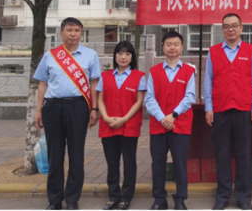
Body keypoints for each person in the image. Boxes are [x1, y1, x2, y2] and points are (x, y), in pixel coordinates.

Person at [33, 17, 101, 210]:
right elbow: (43, 84)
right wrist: (38, 110)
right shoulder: (50, 56)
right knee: (54, 155)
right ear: (61, 33)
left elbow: (94, 83)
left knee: (76, 155)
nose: (73, 34)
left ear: (81, 33)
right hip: (53, 107)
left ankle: (72, 200)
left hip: (78, 107)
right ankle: (55, 200)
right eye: (69, 30)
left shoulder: (90, 55)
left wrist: (94, 108)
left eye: (77, 30)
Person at [203, 13, 252, 211]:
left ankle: (244, 198)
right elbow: (208, 81)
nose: (231, 29)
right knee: (222, 154)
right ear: (222, 29)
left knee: (244, 155)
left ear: (241, 28)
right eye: (227, 26)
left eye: (234, 26)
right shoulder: (213, 52)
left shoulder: (251, 51)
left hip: (244, 109)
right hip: (220, 109)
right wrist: (209, 108)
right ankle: (222, 197)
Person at [144, 31, 196, 211]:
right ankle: (159, 199)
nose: (172, 47)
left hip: (180, 124)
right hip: (158, 125)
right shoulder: (154, 71)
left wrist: (173, 115)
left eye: (176, 44)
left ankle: (180, 199)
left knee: (180, 162)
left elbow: (190, 96)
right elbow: (149, 98)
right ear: (163, 47)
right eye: (168, 44)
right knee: (158, 163)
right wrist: (162, 117)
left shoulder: (189, 71)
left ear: (182, 47)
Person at [97, 41, 147, 210]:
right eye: (120, 53)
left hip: (129, 125)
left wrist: (124, 119)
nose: (123, 57)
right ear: (115, 56)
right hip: (108, 125)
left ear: (132, 57)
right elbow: (100, 99)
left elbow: (139, 101)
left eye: (127, 53)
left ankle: (125, 198)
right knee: (112, 164)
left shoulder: (139, 76)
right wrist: (105, 117)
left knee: (129, 163)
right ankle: (113, 197)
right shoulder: (105, 76)